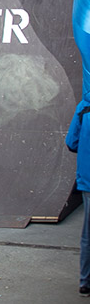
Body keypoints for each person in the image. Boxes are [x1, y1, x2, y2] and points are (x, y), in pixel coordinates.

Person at [67, 97, 90, 296]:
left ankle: (85, 281)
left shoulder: (84, 107)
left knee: (87, 233)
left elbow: (71, 142)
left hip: (88, 179)